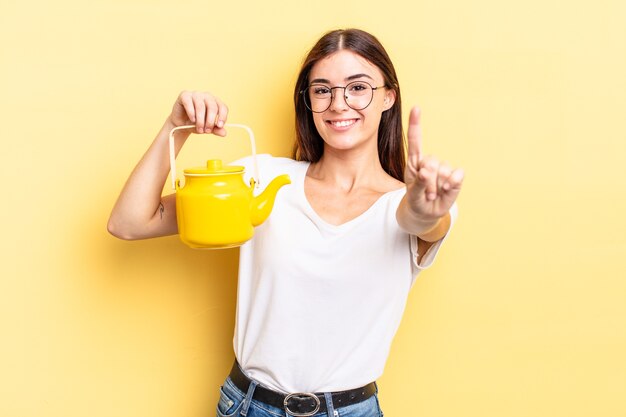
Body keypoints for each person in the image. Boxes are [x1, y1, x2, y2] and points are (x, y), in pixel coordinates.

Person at [108, 28, 464, 417]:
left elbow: (420, 221)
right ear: (308, 100)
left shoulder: (410, 205)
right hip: (248, 406)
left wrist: (423, 209)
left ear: (388, 97)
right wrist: (175, 128)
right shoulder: (261, 179)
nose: (339, 104)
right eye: (322, 90)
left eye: (358, 87)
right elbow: (130, 222)